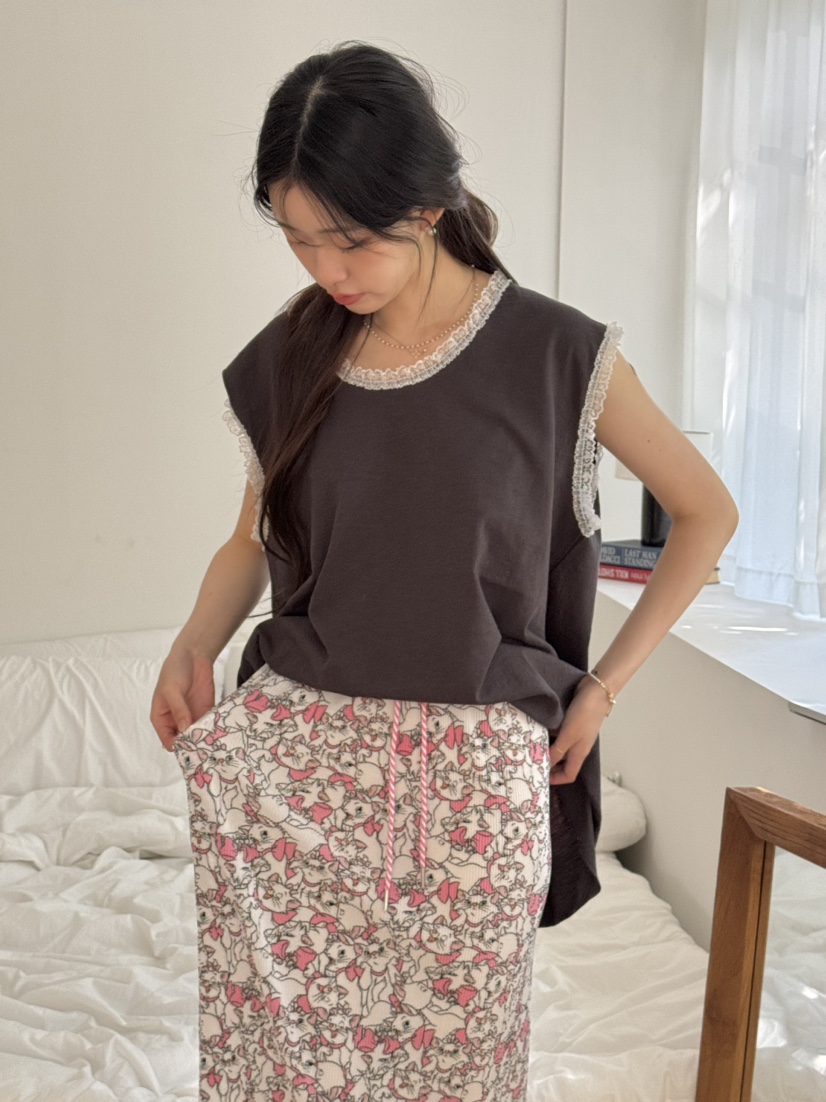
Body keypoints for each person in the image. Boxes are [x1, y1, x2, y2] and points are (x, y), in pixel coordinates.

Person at [150, 40, 738, 1102]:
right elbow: (250, 538)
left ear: (428, 206)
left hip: (471, 785)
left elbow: (706, 514)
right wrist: (195, 641)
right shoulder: (295, 354)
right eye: (297, 239)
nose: (327, 271)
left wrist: (602, 688)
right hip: (297, 778)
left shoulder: (559, 355)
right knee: (281, 1071)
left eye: (350, 240)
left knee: (457, 1071)